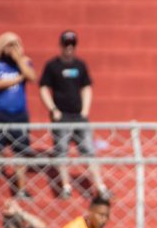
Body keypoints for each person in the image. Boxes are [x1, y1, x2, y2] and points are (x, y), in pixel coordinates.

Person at [39, 30, 109, 200]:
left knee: (89, 151)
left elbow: (86, 87)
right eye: (66, 45)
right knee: (62, 151)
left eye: (72, 45)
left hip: (79, 116)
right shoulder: (52, 66)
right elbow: (43, 87)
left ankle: (100, 186)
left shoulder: (80, 66)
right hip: (61, 117)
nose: (69, 48)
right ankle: (66, 186)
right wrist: (53, 109)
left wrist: (85, 110)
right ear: (61, 46)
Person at [0, 32, 36, 201]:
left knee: (21, 153)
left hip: (19, 115)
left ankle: (21, 189)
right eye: (9, 45)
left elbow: (32, 77)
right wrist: (17, 79)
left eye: (15, 44)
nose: (12, 49)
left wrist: (19, 59)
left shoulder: (24, 62)